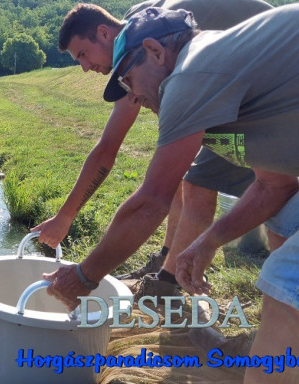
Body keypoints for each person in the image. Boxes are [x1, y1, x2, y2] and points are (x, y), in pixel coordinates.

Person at [46, 4, 299, 382]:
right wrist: (208, 242)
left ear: (156, 52)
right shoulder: (213, 96)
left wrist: (84, 277)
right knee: (287, 226)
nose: (133, 97)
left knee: (289, 279)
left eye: (128, 78)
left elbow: (151, 202)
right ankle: (274, 350)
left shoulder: (190, 75)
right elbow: (276, 186)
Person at [33, 0, 271, 301]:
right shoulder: (137, 38)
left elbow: (111, 155)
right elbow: (110, 148)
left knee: (200, 182)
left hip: (260, 78)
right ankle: (167, 262)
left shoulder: (139, 54)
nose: (84, 67)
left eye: (83, 54)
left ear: (105, 33)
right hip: (238, 74)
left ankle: (168, 284)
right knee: (178, 172)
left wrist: (82, 266)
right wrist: (65, 216)